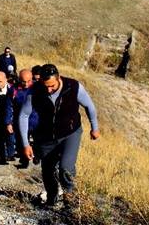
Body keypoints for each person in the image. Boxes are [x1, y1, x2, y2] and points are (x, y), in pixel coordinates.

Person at [19, 64, 100, 206]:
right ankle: (52, 198)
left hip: (70, 133)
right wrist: (26, 144)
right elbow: (23, 116)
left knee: (65, 168)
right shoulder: (35, 91)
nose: (48, 90)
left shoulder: (73, 86)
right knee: (48, 171)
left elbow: (89, 106)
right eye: (45, 86)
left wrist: (95, 127)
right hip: (46, 136)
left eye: (52, 86)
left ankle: (70, 199)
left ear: (58, 78)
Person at [6, 69, 39, 168]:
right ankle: (24, 160)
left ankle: (36, 156)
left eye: (29, 81)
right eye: (24, 81)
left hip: (35, 120)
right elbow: (8, 107)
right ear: (19, 79)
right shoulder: (13, 90)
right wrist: (8, 122)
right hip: (20, 121)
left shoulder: (36, 88)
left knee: (38, 140)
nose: (26, 84)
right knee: (21, 142)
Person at [0, 71, 14, 164]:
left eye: (0, 81)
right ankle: (3, 156)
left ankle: (11, 154)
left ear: (6, 80)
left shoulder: (12, 89)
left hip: (9, 117)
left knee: (10, 136)